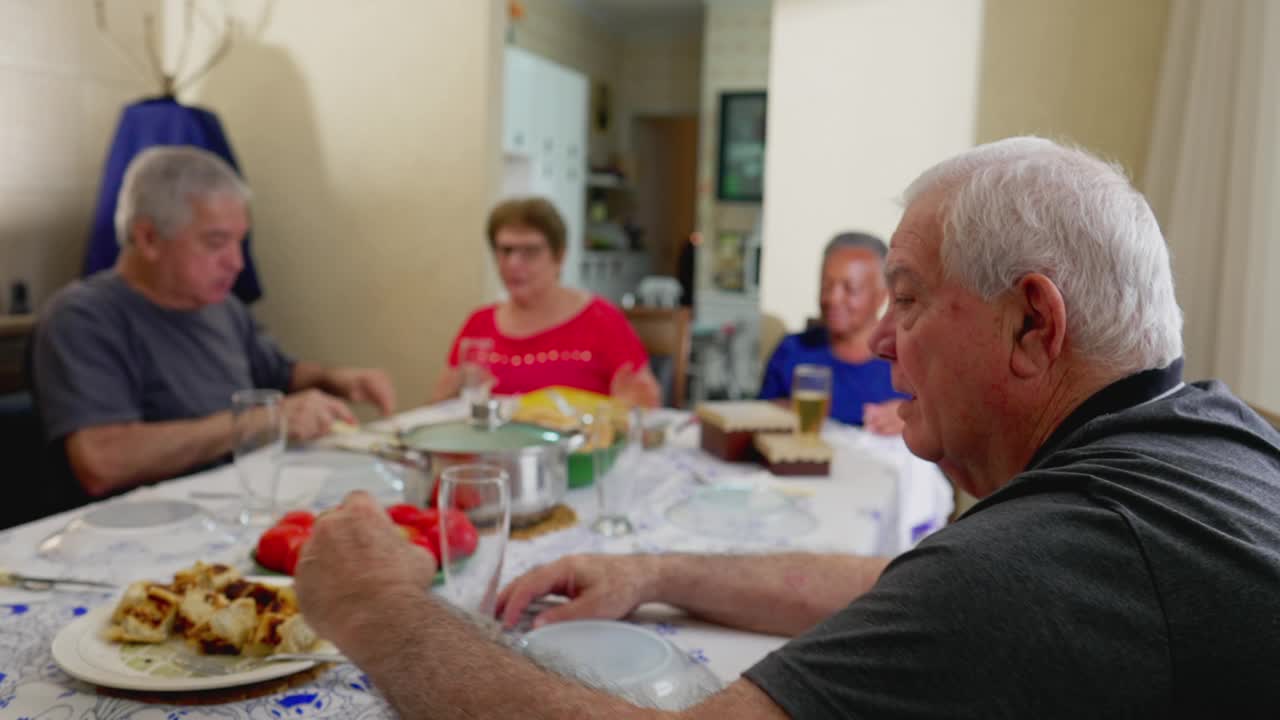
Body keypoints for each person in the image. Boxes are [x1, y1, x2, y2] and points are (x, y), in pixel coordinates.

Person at [295, 137, 1280, 718]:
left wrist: (380, 613)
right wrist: (657, 572)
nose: (883, 339)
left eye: (906, 298)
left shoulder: (1049, 566)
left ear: (1032, 321)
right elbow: (909, 590)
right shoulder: (1199, 428)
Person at [33, 146, 395, 508]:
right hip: (137, 532)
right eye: (216, 242)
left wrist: (339, 379)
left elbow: (281, 372)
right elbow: (101, 461)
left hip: (237, 507)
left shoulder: (222, 307)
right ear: (148, 239)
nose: (237, 263)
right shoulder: (83, 317)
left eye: (240, 242)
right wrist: (259, 422)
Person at [430, 196, 660, 407]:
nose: (513, 263)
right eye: (505, 250)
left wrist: (625, 406)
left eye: (529, 251)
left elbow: (646, 401)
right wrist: (451, 394)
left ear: (559, 257)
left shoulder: (602, 320)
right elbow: (440, 407)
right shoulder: (479, 324)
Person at [758, 232, 907, 433]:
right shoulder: (793, 351)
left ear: (882, 295)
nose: (833, 299)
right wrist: (776, 412)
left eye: (850, 288)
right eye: (826, 286)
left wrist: (915, 420)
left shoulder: (908, 359)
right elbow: (756, 419)